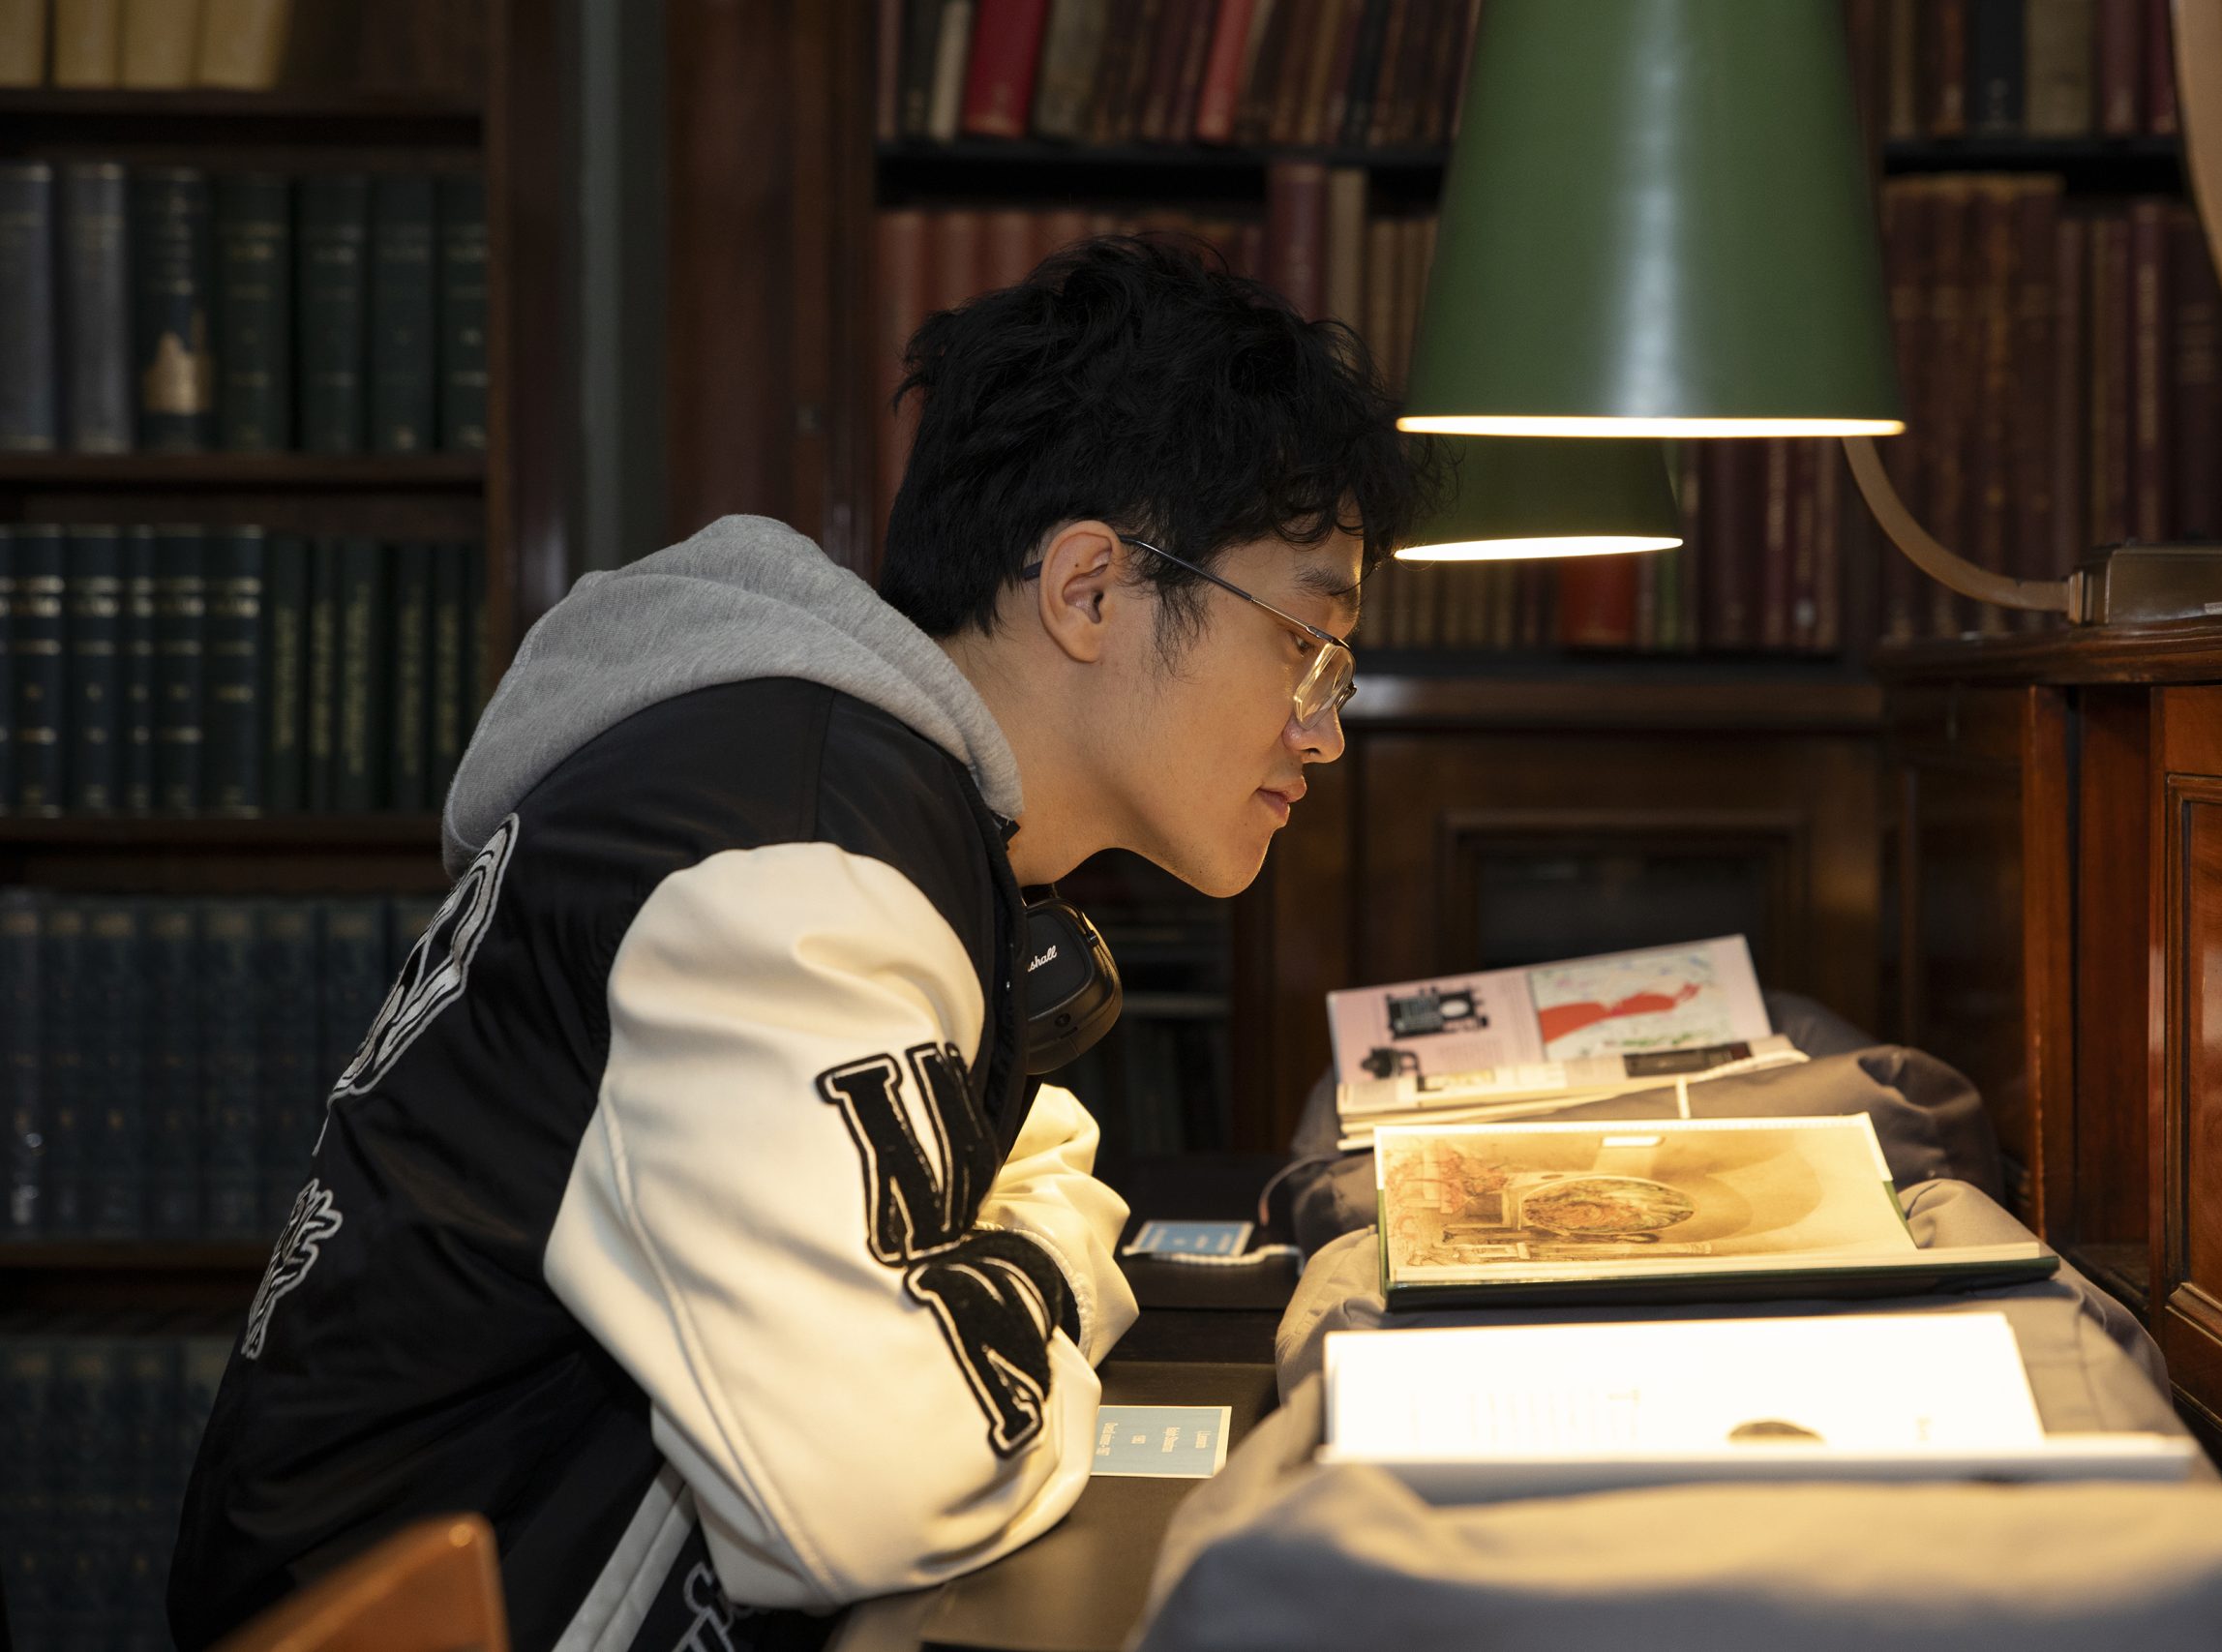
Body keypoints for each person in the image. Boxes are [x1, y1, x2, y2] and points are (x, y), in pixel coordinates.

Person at [166, 234, 1444, 1651]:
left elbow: (1010, 1176)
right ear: (1090, 591)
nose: (1324, 730)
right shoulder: (787, 856)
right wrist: (1058, 1257)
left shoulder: (843, 798)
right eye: (1310, 645)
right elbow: (884, 1484)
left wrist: (997, 1245)